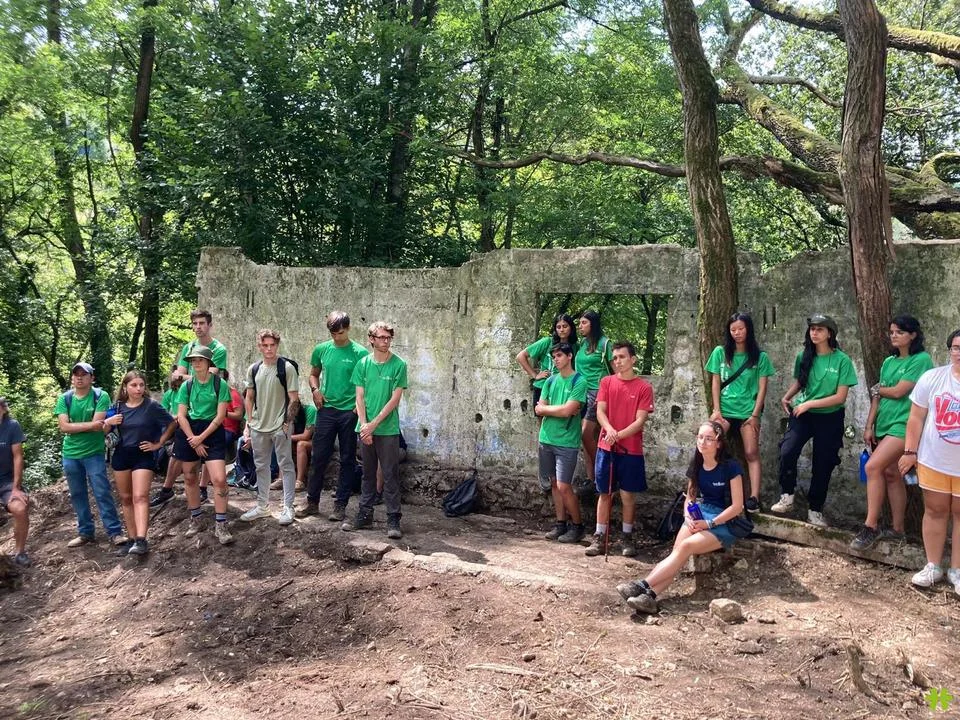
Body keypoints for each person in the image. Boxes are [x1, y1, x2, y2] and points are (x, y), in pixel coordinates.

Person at [616, 421, 745, 614]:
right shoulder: (697, 463)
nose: (703, 442)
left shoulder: (731, 467)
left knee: (685, 547)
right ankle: (650, 597)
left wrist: (709, 523)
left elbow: (737, 507)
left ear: (719, 443)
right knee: (676, 554)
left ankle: (641, 585)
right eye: (700, 437)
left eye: (709, 439)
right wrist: (688, 515)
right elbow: (690, 497)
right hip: (700, 513)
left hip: (724, 521)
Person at [852, 315, 933, 549]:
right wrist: (869, 425)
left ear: (913, 335)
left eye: (899, 332)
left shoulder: (921, 359)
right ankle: (898, 529)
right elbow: (877, 397)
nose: (894, 336)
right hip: (884, 423)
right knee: (891, 473)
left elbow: (899, 391)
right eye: (892, 332)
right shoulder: (888, 362)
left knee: (872, 467)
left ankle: (870, 526)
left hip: (904, 424)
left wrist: (878, 389)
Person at [770, 314, 857, 527]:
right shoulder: (804, 356)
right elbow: (801, 381)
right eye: (812, 329)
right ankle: (787, 496)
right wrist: (787, 396)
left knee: (823, 463)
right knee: (787, 450)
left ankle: (815, 510)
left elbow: (840, 397)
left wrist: (809, 404)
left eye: (820, 329)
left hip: (830, 416)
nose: (815, 332)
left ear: (830, 333)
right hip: (803, 414)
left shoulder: (842, 360)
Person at [897, 329, 960, 593]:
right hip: (933, 460)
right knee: (934, 511)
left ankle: (957, 571)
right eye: (956, 347)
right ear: (950, 350)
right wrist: (910, 452)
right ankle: (933, 566)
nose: (959, 353)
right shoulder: (932, 378)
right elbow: (915, 418)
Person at [298, 311, 369, 521]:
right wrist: (315, 390)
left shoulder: (360, 353)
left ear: (348, 329)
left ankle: (340, 505)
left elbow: (367, 382)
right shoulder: (322, 349)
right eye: (333, 333)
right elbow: (313, 374)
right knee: (319, 456)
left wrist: (359, 407)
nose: (337, 337)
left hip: (349, 412)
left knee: (347, 458)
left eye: (340, 333)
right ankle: (312, 502)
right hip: (326, 409)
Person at [587, 342, 654, 557]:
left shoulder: (644, 387)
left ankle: (627, 536)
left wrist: (618, 434)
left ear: (633, 359)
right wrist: (609, 430)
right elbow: (600, 411)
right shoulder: (606, 382)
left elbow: (640, 420)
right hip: (606, 448)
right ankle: (599, 536)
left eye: (622, 357)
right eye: (615, 358)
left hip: (631, 450)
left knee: (627, 495)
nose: (617, 361)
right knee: (604, 493)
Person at [341, 321, 407, 539]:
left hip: (387, 429)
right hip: (365, 429)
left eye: (388, 337)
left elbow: (394, 399)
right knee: (367, 474)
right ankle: (364, 515)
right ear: (371, 339)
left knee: (390, 474)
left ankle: (393, 519)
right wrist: (364, 425)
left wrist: (374, 424)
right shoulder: (363, 364)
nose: (385, 341)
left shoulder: (399, 365)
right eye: (381, 337)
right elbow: (359, 397)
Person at [705, 312, 775, 511]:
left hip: (747, 412)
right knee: (710, 444)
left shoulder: (760, 357)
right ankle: (707, 491)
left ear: (748, 329)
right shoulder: (720, 352)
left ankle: (754, 498)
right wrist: (716, 410)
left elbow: (762, 388)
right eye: (733, 329)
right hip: (725, 410)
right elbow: (715, 382)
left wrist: (755, 415)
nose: (737, 333)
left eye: (741, 329)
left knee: (751, 452)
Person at [102, 371, 177, 556]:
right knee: (126, 498)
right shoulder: (117, 407)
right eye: (134, 385)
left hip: (143, 454)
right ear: (125, 387)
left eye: (141, 385)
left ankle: (142, 540)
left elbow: (172, 423)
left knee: (140, 496)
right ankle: (132, 539)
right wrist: (108, 422)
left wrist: (159, 443)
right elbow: (105, 431)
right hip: (121, 454)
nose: (138, 389)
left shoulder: (151, 406)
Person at [55, 362, 127, 548]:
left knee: (102, 491)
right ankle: (85, 532)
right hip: (70, 454)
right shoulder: (65, 399)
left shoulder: (100, 396)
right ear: (72, 378)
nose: (79, 378)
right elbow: (64, 427)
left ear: (91, 378)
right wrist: (91, 425)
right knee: (77, 494)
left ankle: (115, 532)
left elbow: (98, 426)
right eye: (76, 374)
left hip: (94, 452)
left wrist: (76, 427)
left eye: (84, 374)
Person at [239, 329, 300, 526]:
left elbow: (294, 399)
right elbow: (249, 397)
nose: (268, 349)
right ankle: (262, 506)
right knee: (261, 466)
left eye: (272, 345)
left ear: (277, 345)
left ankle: (288, 507)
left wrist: (287, 423)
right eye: (264, 345)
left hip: (280, 426)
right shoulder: (254, 369)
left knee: (286, 465)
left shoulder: (286, 368)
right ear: (259, 346)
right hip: (258, 426)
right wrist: (249, 423)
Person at [174, 346, 234, 545]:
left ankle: (221, 524)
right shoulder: (187, 386)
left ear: (209, 363)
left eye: (200, 359)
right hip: (189, 431)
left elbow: (220, 416)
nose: (196, 363)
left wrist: (201, 438)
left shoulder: (219, 384)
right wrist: (193, 438)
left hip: (212, 431)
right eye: (193, 360)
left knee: (219, 479)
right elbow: (181, 415)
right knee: (190, 476)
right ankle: (196, 518)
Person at [174, 310, 228, 504]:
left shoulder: (218, 349)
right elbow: (177, 376)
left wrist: (184, 376)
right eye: (195, 323)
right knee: (185, 467)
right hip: (188, 411)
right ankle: (171, 491)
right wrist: (186, 377)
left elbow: (211, 374)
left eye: (202, 323)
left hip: (210, 412)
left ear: (209, 325)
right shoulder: (188, 347)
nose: (198, 327)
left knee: (214, 468)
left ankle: (204, 488)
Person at [537, 343, 588, 544]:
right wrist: (561, 409)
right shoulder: (550, 381)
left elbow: (567, 411)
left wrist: (550, 410)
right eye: (554, 356)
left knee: (564, 485)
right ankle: (561, 524)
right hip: (546, 438)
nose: (556, 359)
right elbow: (539, 408)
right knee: (554, 484)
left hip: (566, 441)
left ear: (569, 356)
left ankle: (578, 526)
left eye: (559, 355)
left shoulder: (579, 381)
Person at [575, 310, 613, 491]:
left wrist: (606, 395)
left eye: (584, 323)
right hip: (581, 392)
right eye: (579, 323)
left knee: (586, 434)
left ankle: (603, 471)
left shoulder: (605, 344)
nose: (580, 326)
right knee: (589, 439)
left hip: (597, 393)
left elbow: (616, 372)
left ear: (593, 324)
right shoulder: (583, 344)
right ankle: (593, 480)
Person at [516, 313, 577, 409]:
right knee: (542, 416)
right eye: (558, 327)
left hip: (564, 388)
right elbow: (521, 356)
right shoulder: (547, 342)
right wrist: (535, 375)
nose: (561, 330)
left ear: (571, 327)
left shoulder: (575, 346)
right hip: (543, 386)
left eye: (565, 326)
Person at [0, 398, 30, 566]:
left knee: (20, 508)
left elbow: (18, 457)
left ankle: (19, 552)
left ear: (3, 409)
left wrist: (16, 488)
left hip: (7, 481)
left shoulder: (12, 426)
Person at [150, 369, 184, 508]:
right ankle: (154, 465)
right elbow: (163, 411)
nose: (177, 383)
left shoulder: (190, 390)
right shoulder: (170, 393)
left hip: (184, 424)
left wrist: (174, 418)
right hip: (173, 423)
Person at [292, 404, 316, 492]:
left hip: (315, 441)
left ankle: (300, 481)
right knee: (284, 444)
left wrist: (286, 438)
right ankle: (281, 479)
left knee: (301, 445)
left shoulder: (310, 410)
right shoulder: (286, 412)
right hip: (296, 438)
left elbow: (306, 436)